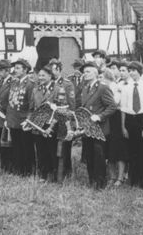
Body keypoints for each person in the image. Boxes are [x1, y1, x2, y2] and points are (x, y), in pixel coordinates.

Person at [77, 61, 117, 189]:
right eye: (84, 72)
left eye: (88, 71)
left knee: (99, 156)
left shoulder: (102, 87)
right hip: (88, 127)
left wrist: (100, 116)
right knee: (89, 155)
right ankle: (92, 181)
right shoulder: (85, 88)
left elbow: (112, 106)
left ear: (95, 73)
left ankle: (100, 184)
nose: (85, 74)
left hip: (99, 128)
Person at [120, 61, 143, 188]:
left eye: (134, 70)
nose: (131, 72)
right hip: (130, 120)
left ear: (140, 72)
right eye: (130, 70)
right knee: (132, 150)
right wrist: (123, 126)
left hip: (142, 119)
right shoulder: (126, 87)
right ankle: (134, 180)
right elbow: (123, 108)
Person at [28, 65, 57, 182]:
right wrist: (30, 121)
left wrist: (51, 126)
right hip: (37, 125)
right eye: (39, 75)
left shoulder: (57, 89)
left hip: (51, 125)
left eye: (43, 75)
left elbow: (61, 109)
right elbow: (31, 108)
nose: (40, 78)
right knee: (40, 150)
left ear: (50, 76)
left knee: (52, 150)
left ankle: (53, 174)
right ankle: (43, 174)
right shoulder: (36, 89)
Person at [7, 58, 35, 176]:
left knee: (26, 147)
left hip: (24, 121)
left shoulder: (30, 84)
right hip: (13, 120)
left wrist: (28, 120)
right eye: (15, 68)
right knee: (16, 147)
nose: (15, 70)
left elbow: (31, 105)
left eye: (18, 68)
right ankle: (18, 169)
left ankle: (28, 171)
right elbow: (10, 102)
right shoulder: (14, 82)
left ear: (25, 70)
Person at [49, 58, 75, 181]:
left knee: (64, 148)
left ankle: (65, 173)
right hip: (51, 119)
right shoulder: (49, 83)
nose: (51, 72)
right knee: (53, 147)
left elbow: (72, 104)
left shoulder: (66, 84)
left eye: (53, 69)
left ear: (59, 70)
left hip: (64, 120)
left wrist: (69, 122)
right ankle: (55, 172)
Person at [104, 65, 127, 185]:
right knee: (108, 149)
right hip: (106, 119)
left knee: (118, 149)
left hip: (115, 119)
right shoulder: (104, 87)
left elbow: (115, 103)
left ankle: (120, 177)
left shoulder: (115, 87)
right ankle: (112, 176)